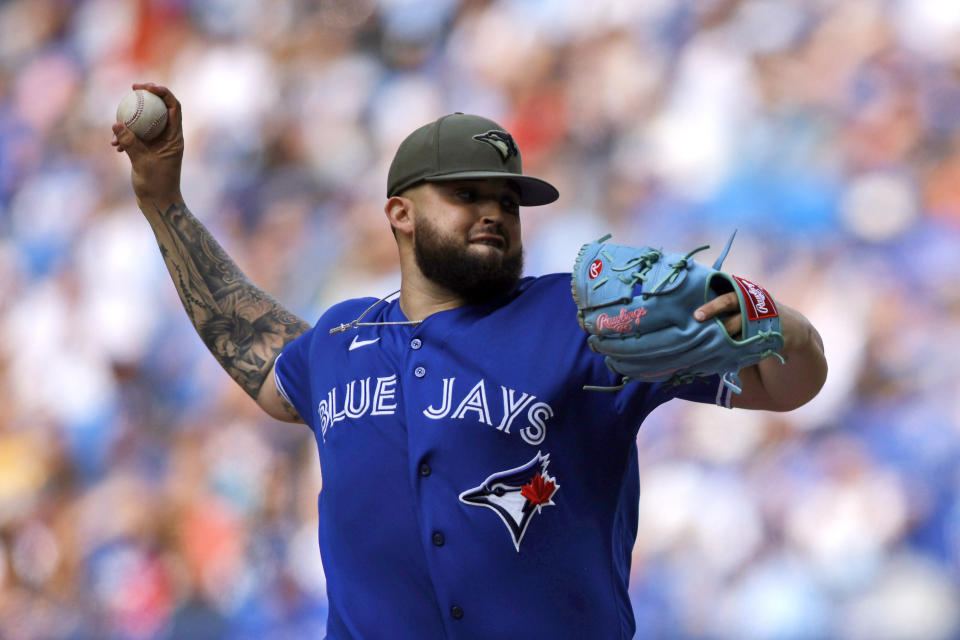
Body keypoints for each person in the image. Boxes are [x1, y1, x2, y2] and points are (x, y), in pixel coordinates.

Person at [111, 82, 827, 639]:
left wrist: (772, 322)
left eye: (506, 200)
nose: (492, 211)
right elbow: (254, 351)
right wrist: (163, 202)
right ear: (400, 214)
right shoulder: (338, 339)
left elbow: (785, 382)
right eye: (465, 194)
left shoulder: (580, 321)